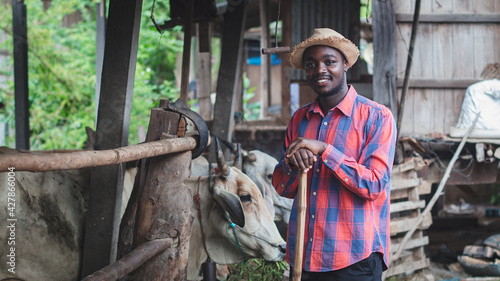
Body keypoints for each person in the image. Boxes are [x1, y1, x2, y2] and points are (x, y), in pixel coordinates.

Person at [272, 28, 397, 281]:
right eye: (311, 64)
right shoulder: (299, 119)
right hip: (304, 256)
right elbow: (282, 187)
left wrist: (325, 150)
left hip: (355, 258)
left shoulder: (376, 117)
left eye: (330, 61)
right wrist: (293, 165)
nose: (320, 70)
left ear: (346, 64)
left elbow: (374, 185)